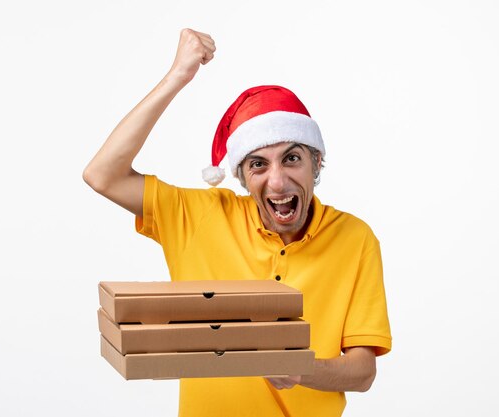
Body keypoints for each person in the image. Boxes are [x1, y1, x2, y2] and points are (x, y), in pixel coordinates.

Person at [84, 28, 391, 417]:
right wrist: (177, 75)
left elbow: (363, 371)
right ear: (243, 177)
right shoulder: (201, 217)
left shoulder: (355, 238)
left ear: (316, 162)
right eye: (258, 164)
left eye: (292, 157)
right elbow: (102, 175)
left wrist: (301, 369)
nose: (277, 181)